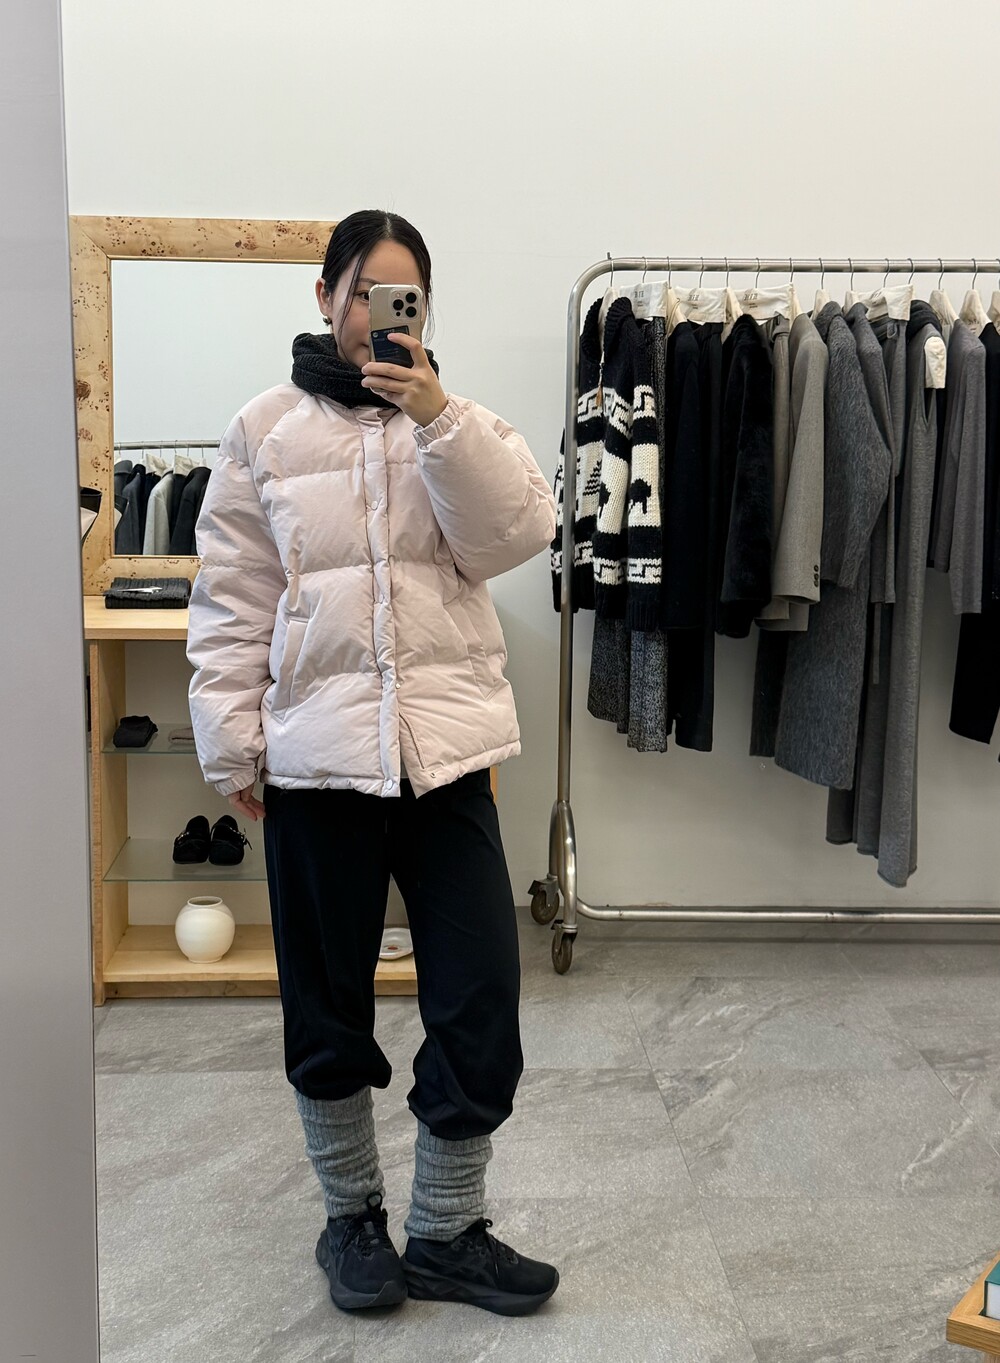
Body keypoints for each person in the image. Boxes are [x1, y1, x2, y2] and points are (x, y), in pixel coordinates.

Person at [186, 210, 559, 1317]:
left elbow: (515, 535)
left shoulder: (458, 423)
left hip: (446, 764)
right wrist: (234, 740)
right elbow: (233, 597)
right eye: (362, 292)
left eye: (404, 298)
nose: (378, 316)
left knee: (480, 998)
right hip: (317, 768)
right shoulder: (262, 429)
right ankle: (351, 1218)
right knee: (326, 1006)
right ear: (324, 297)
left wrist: (435, 416)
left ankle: (445, 1230)